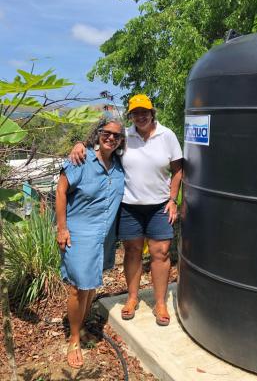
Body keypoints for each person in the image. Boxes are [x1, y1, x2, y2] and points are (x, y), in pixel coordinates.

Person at [70, 94, 183, 327]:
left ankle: (160, 302)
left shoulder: (167, 135)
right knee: (132, 252)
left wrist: (173, 199)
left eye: (145, 112)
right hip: (130, 206)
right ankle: (132, 298)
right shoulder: (124, 136)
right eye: (135, 113)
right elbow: (101, 146)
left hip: (160, 206)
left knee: (160, 253)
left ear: (152, 113)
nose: (141, 116)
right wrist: (80, 144)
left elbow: (178, 169)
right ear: (130, 115)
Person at [56, 116, 125, 368]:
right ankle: (74, 338)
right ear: (98, 133)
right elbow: (61, 190)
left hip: (103, 237)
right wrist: (61, 228)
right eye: (107, 133)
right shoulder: (81, 159)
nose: (111, 138)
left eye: (117, 136)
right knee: (78, 287)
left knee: (92, 282)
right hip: (79, 235)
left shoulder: (119, 166)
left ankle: (82, 325)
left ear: (121, 141)